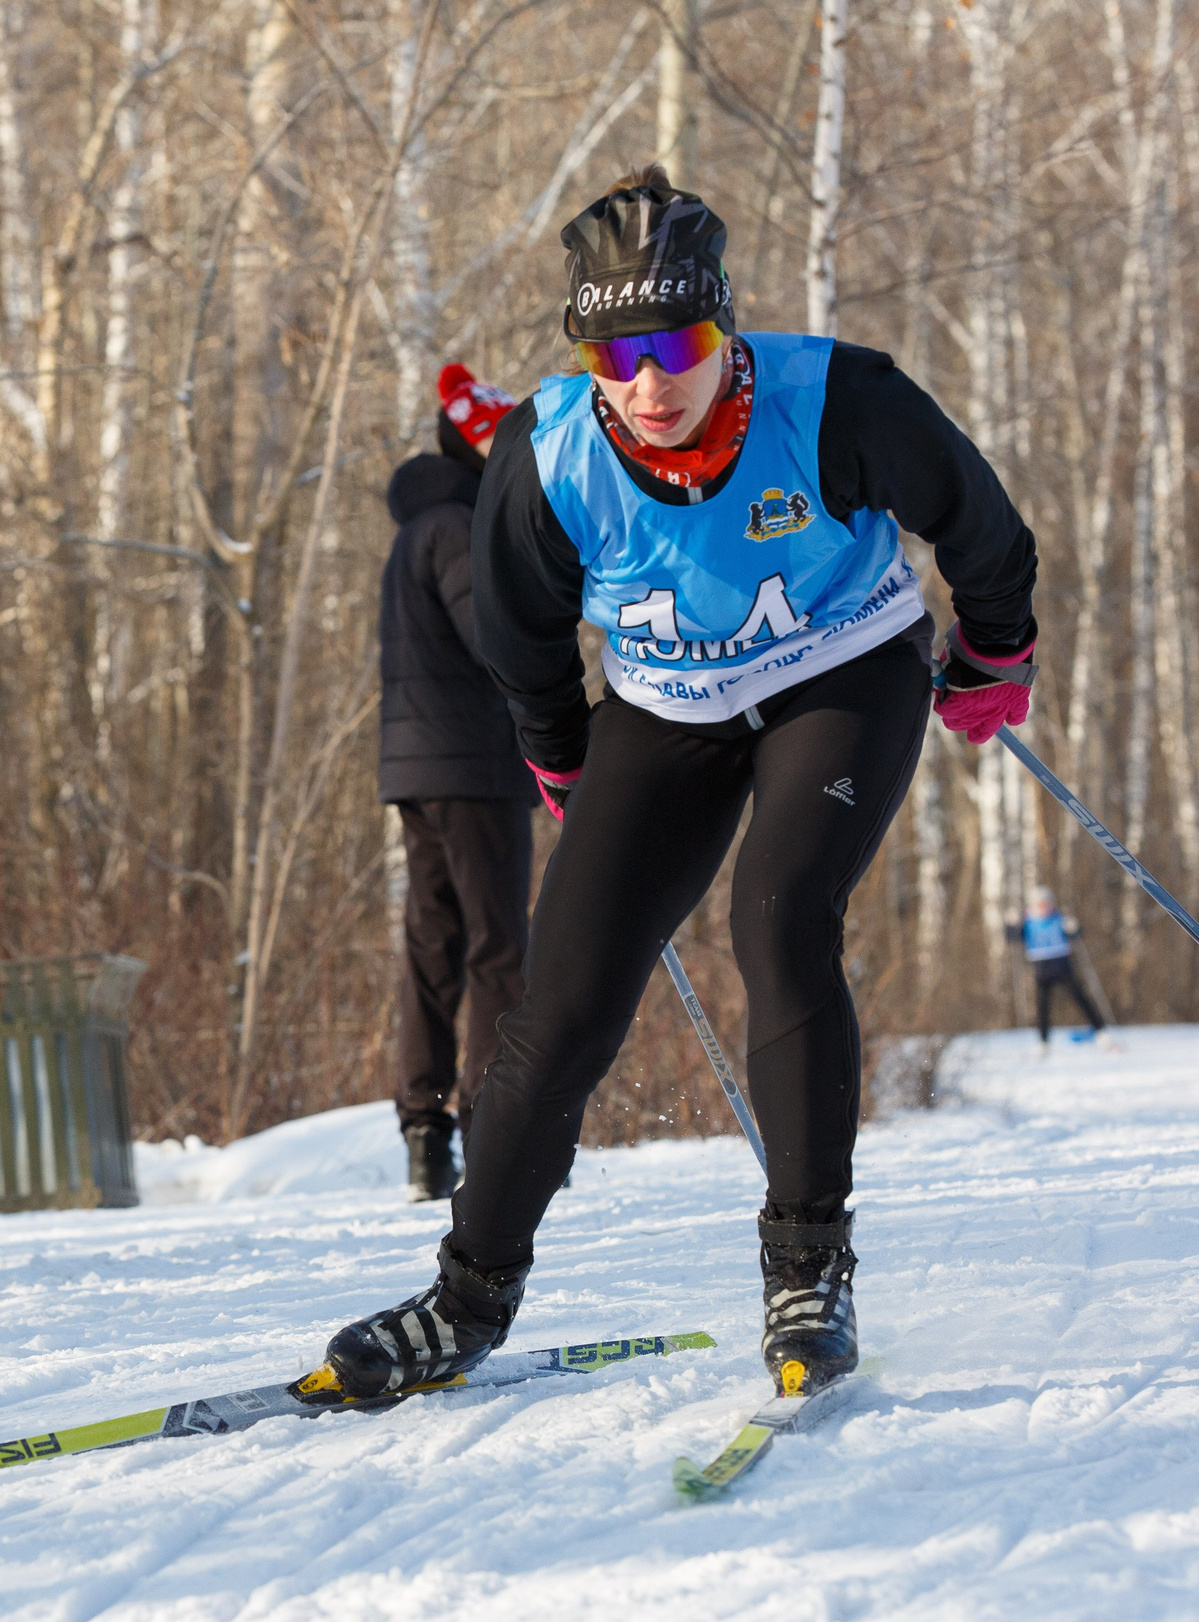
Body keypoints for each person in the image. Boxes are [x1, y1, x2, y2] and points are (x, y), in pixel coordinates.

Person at [316, 165, 1040, 1400]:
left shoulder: (835, 401)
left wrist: (992, 650)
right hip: (666, 708)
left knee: (780, 916)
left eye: (676, 342)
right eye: (613, 354)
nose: (647, 382)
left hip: (841, 674)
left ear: (725, 324)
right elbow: (522, 642)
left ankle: (808, 1267)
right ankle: (465, 1298)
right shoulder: (545, 458)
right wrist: (559, 758)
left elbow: (979, 525)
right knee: (565, 993)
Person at [380, 363, 534, 1201]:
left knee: (434, 941)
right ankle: (492, 1122)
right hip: (475, 765)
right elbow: (495, 639)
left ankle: (425, 1130)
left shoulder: (418, 528)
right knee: (497, 943)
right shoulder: (458, 529)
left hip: (417, 767)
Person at [1016, 886, 1105, 1046]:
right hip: (1041, 968)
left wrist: (1073, 927)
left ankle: (1100, 1029)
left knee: (1079, 997)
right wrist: (1012, 924)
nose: (1044, 907)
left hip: (1062, 965)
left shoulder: (1059, 918)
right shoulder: (1028, 921)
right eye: (1040, 904)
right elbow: (1014, 937)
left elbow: (1077, 935)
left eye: (1046, 903)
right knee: (1042, 1005)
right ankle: (1043, 1040)